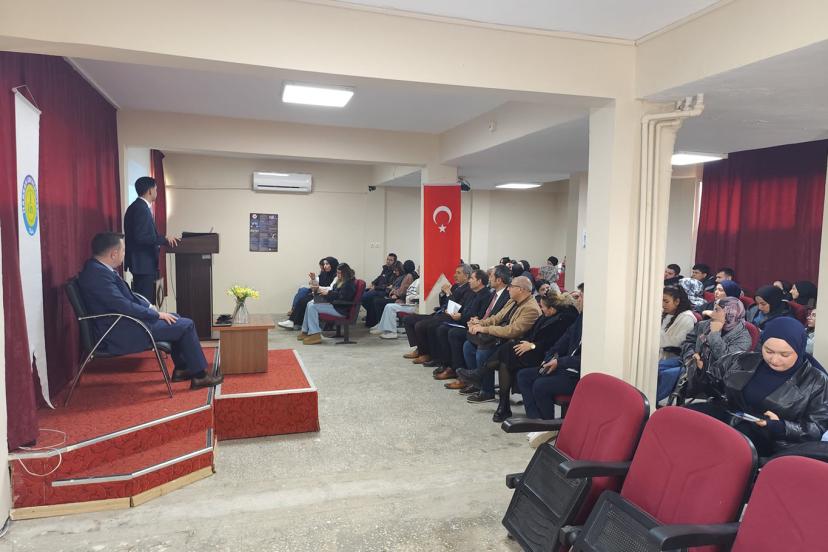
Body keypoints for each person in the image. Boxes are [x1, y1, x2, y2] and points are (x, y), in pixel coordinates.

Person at [77, 232, 222, 388]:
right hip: (119, 330)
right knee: (186, 325)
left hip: (122, 322)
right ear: (114, 254)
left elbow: (128, 298)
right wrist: (155, 314)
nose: (124, 254)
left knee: (175, 318)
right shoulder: (98, 276)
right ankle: (200, 376)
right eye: (123, 250)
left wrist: (148, 307)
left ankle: (183, 369)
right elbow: (123, 305)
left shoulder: (97, 269)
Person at [686, 317, 828, 456]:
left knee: (724, 448)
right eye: (769, 351)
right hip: (730, 420)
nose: (774, 359)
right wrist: (700, 371)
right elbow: (712, 388)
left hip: (772, 441)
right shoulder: (742, 360)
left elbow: (816, 427)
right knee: (685, 418)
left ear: (799, 349)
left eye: (784, 355)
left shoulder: (816, 382)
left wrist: (781, 426)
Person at [463, 291, 579, 422]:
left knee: (506, 352)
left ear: (552, 309)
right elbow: (529, 332)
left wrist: (532, 345)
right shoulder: (546, 315)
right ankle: (511, 408)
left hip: (542, 353)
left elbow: (552, 343)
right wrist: (527, 342)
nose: (541, 310)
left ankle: (481, 375)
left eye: (542, 307)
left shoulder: (562, 320)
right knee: (505, 358)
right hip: (536, 349)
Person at [459, 276, 541, 403]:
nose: (508, 289)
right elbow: (497, 318)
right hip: (501, 338)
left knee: (483, 352)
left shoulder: (531, 308)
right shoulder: (513, 301)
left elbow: (512, 331)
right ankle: (477, 383)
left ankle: (487, 391)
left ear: (520, 289)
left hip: (515, 345)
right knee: (468, 346)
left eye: (511, 287)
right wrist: (479, 323)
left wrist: (485, 329)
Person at [516, 284, 585, 420]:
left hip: (578, 374)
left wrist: (559, 362)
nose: (578, 300)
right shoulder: (581, 318)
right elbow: (563, 341)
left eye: (581, 296)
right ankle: (534, 420)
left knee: (540, 385)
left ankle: (547, 425)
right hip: (564, 366)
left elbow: (585, 359)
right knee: (524, 375)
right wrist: (549, 357)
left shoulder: (595, 323)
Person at [680, 297, 752, 400]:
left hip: (714, 382)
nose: (713, 314)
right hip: (690, 366)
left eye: (717, 310)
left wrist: (714, 333)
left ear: (730, 313)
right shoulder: (705, 324)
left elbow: (726, 361)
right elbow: (689, 341)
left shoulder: (743, 338)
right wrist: (690, 356)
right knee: (663, 371)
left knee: (669, 376)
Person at [123, 176, 179, 305]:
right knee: (144, 302)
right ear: (150, 191)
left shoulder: (138, 206)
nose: (156, 192)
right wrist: (164, 239)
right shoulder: (141, 208)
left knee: (145, 301)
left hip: (142, 264)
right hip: (143, 264)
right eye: (156, 189)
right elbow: (141, 237)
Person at [403, 264, 475, 363]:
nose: (455, 275)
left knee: (421, 325)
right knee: (408, 319)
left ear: (466, 276)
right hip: (440, 312)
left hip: (450, 317)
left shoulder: (468, 289)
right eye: (455, 272)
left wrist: (448, 293)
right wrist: (442, 294)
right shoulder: (455, 286)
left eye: (458, 273)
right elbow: (444, 303)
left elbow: (455, 307)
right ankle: (419, 348)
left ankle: (426, 354)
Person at [656, 286, 698, 402]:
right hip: (660, 351)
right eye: (661, 301)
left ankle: (651, 398)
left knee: (656, 369)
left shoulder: (687, 318)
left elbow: (679, 341)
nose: (663, 305)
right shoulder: (665, 314)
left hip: (676, 356)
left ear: (677, 301)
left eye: (666, 301)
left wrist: (654, 339)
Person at [299, 263, 357, 345]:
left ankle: (315, 334)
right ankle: (305, 331)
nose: (337, 275)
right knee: (309, 303)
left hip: (341, 309)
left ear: (345, 273)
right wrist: (324, 293)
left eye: (339, 273)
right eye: (337, 273)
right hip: (335, 305)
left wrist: (328, 293)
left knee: (313, 307)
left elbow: (343, 298)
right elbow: (335, 293)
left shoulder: (349, 284)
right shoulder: (340, 281)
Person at [278, 256, 338, 329]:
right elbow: (317, 283)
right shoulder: (324, 274)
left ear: (333, 264)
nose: (325, 266)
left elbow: (331, 288)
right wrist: (313, 279)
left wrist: (318, 288)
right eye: (324, 264)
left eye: (327, 264)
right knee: (302, 299)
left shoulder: (336, 276)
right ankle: (294, 322)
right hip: (320, 294)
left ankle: (293, 322)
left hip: (327, 297)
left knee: (304, 300)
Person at [360, 253, 397, 317]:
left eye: (391, 260)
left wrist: (375, 287)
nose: (388, 261)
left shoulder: (394, 272)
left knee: (362, 297)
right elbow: (379, 278)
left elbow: (388, 286)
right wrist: (372, 283)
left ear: (394, 262)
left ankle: (371, 314)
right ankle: (371, 313)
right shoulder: (385, 269)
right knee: (360, 294)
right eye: (387, 259)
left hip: (383, 291)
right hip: (377, 289)